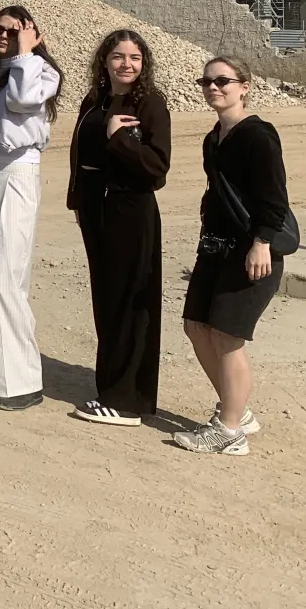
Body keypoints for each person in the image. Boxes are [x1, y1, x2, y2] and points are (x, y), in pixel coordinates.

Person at [174, 57, 287, 456]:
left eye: (222, 80)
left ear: (245, 86)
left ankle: (230, 430)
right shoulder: (213, 138)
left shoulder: (258, 135)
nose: (213, 87)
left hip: (251, 251)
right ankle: (237, 409)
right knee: (195, 325)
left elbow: (274, 198)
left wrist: (262, 243)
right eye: (206, 81)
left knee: (227, 336)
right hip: (216, 248)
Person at [66, 29, 171, 427]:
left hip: (130, 210)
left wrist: (120, 138)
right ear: (104, 61)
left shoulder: (151, 104)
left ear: (144, 64)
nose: (126, 64)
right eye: (118, 56)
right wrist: (77, 199)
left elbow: (157, 168)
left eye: (135, 58)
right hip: (96, 210)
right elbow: (80, 154)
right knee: (106, 303)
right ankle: (109, 387)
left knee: (130, 305)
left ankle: (127, 400)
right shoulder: (95, 101)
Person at [0, 5, 63, 412]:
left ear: (32, 35)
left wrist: (25, 53)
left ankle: (20, 381)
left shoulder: (42, 72)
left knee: (8, 275)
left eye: (14, 30)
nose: (3, 36)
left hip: (17, 171)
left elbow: (23, 103)